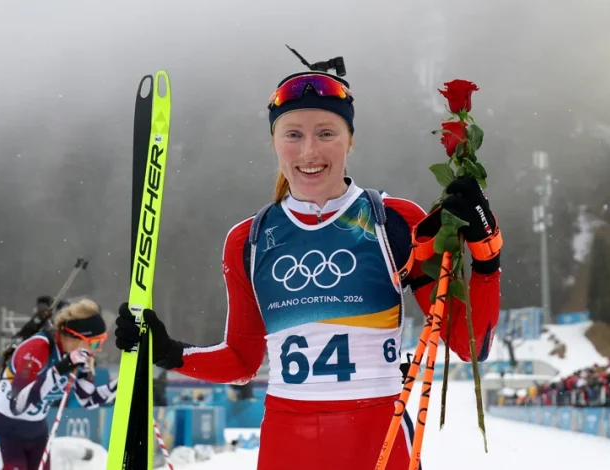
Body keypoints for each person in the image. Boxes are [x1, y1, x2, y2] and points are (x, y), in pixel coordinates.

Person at [115, 68, 502, 469]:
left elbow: (469, 343)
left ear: (350, 141)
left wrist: (486, 254)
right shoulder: (249, 240)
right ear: (274, 143)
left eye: (326, 133)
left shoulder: (395, 222)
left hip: (377, 436)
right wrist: (168, 352)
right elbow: (243, 362)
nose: (309, 152)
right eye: (293, 134)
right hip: (288, 439)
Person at [0, 298, 117, 470]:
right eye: (95, 343)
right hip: (5, 430)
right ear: (74, 337)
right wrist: (61, 368)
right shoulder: (38, 348)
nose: (97, 350)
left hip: (37, 432)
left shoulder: (79, 356)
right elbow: (18, 403)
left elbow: (88, 399)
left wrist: (122, 385)